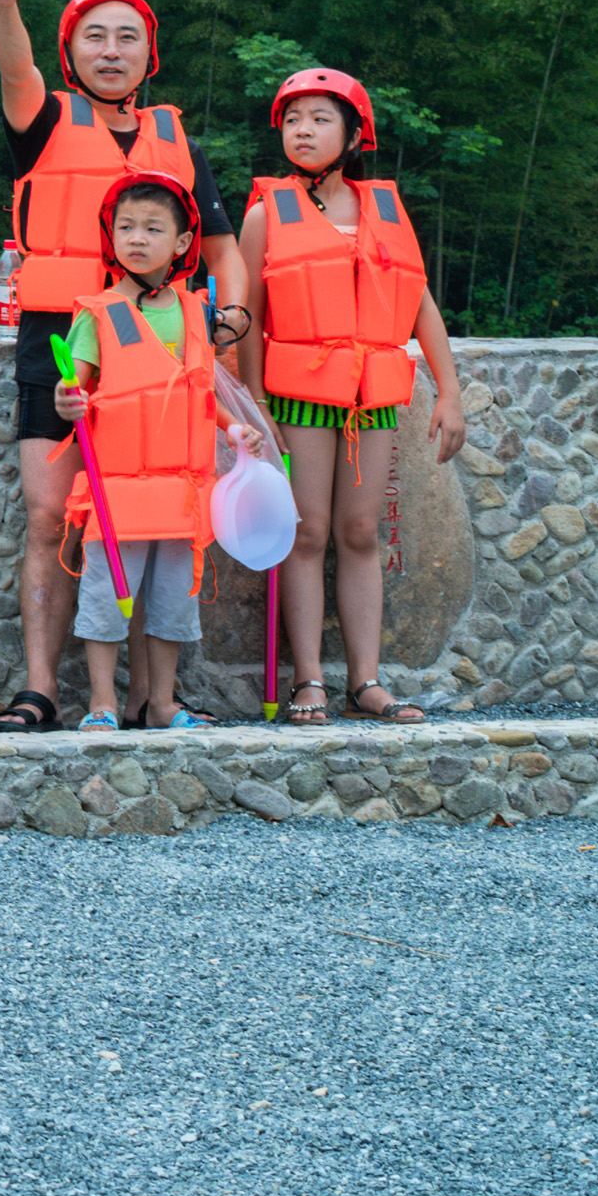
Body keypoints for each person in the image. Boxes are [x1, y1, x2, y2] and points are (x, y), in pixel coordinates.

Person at [0, 0, 252, 733]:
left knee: (151, 516)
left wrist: (226, 325)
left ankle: (146, 698)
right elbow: (14, 71)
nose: (111, 49)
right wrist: (4, 6)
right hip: (62, 336)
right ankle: (42, 690)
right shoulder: (44, 114)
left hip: (161, 349)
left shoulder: (175, 136)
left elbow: (225, 249)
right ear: (71, 50)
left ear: (149, 55)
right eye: (95, 35)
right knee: (52, 516)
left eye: (127, 36)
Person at [234, 66, 468, 726]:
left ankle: (366, 680)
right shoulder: (263, 214)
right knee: (306, 533)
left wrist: (449, 392)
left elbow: (418, 303)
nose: (302, 130)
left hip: (374, 396)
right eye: (292, 119)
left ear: (353, 132)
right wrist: (252, 401)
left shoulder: (385, 211)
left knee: (361, 531)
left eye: (319, 118)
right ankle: (309, 678)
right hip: (300, 394)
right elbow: (246, 315)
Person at [56, 175, 282, 730]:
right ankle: (103, 704)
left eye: (153, 229)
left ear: (181, 244)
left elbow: (200, 392)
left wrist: (234, 431)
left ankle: (162, 703)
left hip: (182, 492)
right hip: (118, 492)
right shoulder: (98, 312)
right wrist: (67, 402)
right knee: (109, 600)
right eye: (125, 227)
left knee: (172, 605)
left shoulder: (193, 312)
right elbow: (74, 389)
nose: (136, 238)